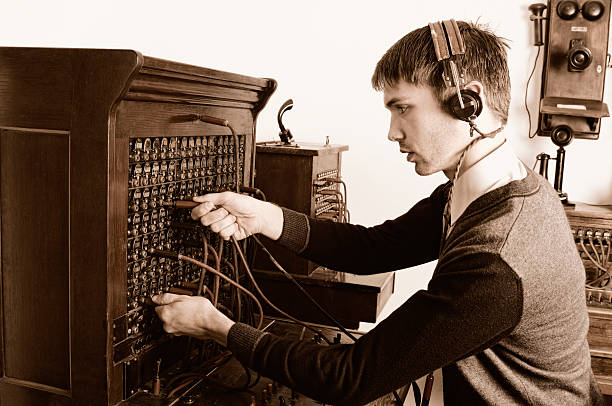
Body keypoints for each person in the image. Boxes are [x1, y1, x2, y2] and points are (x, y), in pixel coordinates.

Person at [152, 21, 604, 405]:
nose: (392, 133)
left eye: (402, 108)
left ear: (469, 100)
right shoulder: (490, 183)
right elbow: (375, 248)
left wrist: (217, 328)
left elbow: (351, 378)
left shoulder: (499, 256)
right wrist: (262, 217)